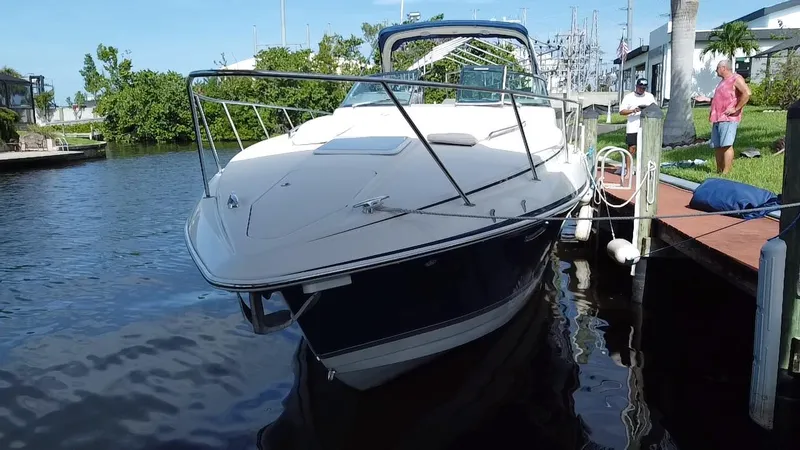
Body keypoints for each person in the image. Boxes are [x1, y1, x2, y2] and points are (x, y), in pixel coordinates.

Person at [709, 59, 751, 174]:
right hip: (718, 118)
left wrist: (735, 108)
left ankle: (726, 172)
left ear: (723, 68)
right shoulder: (722, 82)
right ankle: (719, 170)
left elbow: (747, 93)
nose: (716, 70)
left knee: (726, 145)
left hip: (728, 119)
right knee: (717, 146)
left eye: (717, 68)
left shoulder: (736, 78)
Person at [618, 78, 657, 176]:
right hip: (633, 126)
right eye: (640, 88)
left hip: (646, 126)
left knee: (647, 148)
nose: (642, 90)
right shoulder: (629, 97)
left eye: (644, 88)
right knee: (632, 148)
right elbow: (621, 111)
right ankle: (628, 171)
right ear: (636, 86)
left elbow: (655, 109)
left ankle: (646, 171)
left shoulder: (650, 96)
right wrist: (633, 110)